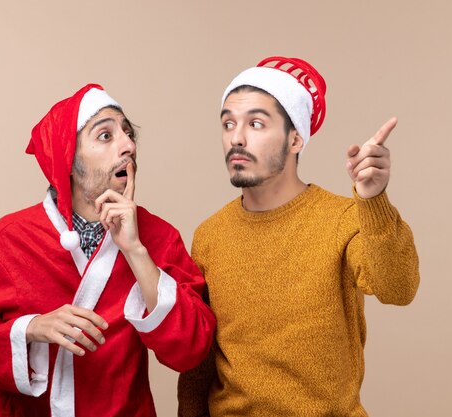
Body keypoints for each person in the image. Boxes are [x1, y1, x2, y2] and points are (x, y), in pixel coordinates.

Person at [177, 56, 420, 416]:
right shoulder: (211, 235)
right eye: (228, 123)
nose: (237, 138)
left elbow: (398, 288)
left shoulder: (343, 219)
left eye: (256, 123)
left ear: (296, 139)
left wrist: (373, 200)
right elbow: (200, 364)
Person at [0, 84, 216, 417]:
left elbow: (191, 349)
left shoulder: (158, 237)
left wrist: (135, 250)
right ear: (68, 158)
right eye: (105, 136)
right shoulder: (9, 240)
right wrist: (32, 328)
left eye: (128, 133)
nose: (128, 145)